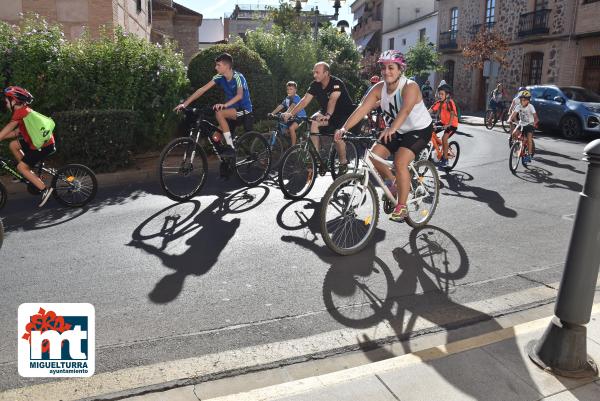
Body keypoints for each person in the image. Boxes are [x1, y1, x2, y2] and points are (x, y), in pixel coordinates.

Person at [334, 50, 433, 222]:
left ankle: (402, 207)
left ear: (400, 69)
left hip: (419, 130)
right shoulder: (379, 88)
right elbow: (362, 109)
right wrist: (344, 128)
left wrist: (391, 128)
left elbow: (405, 110)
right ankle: (394, 182)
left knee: (400, 161)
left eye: (391, 68)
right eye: (384, 68)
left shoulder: (410, 86)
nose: (386, 71)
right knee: (373, 158)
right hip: (396, 129)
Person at [282, 62, 355, 175]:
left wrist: (327, 116)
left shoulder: (336, 83)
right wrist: (291, 114)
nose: (314, 75)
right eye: (314, 72)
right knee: (313, 122)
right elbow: (305, 100)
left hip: (343, 114)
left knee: (338, 136)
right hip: (328, 113)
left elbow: (332, 100)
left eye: (317, 72)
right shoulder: (315, 84)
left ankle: (343, 162)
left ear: (326, 73)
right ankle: (316, 156)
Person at [174, 53, 252, 155]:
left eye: (218, 65)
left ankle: (230, 147)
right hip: (230, 111)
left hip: (244, 110)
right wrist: (185, 104)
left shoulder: (238, 77)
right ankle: (228, 163)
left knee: (219, 113)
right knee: (215, 138)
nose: (216, 67)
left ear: (227, 66)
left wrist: (225, 105)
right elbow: (202, 89)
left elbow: (239, 96)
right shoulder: (219, 77)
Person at [0, 86, 56, 207]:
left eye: (6, 100)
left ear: (13, 100)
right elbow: (15, 133)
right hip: (36, 142)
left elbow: (9, 127)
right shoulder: (24, 111)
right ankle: (28, 172)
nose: (5, 103)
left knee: (21, 167)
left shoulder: (20, 113)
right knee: (13, 145)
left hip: (43, 146)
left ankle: (44, 189)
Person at [428, 84, 458, 167]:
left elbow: (452, 113)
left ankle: (445, 159)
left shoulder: (450, 102)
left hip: (452, 124)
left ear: (447, 95)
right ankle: (437, 148)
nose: (440, 96)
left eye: (442, 94)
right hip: (443, 122)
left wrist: (449, 124)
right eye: (439, 94)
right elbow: (430, 111)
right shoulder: (439, 103)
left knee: (444, 138)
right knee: (429, 131)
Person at [268, 81, 306, 146]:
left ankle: (293, 147)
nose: (289, 91)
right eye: (288, 89)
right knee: (284, 129)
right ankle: (292, 139)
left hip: (300, 117)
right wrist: (272, 113)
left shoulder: (296, 97)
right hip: (292, 117)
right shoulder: (287, 98)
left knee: (291, 128)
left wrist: (285, 113)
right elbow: (281, 106)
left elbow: (292, 106)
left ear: (295, 90)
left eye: (291, 89)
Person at [509, 90, 539, 164]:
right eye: (521, 100)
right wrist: (509, 119)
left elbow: (536, 117)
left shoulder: (531, 107)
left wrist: (535, 123)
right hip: (521, 123)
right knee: (513, 133)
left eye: (524, 100)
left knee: (529, 138)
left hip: (530, 124)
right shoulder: (518, 106)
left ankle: (529, 155)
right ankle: (517, 146)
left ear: (528, 101)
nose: (522, 101)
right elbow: (513, 114)